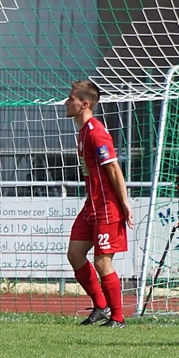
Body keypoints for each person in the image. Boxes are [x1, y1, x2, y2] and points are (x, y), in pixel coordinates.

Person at [64, 79, 134, 328]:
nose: (66, 102)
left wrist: (124, 202)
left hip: (106, 207)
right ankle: (101, 306)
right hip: (91, 205)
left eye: (71, 99)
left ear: (84, 104)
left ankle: (118, 317)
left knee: (103, 262)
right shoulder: (83, 132)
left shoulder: (96, 132)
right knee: (75, 254)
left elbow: (113, 168)